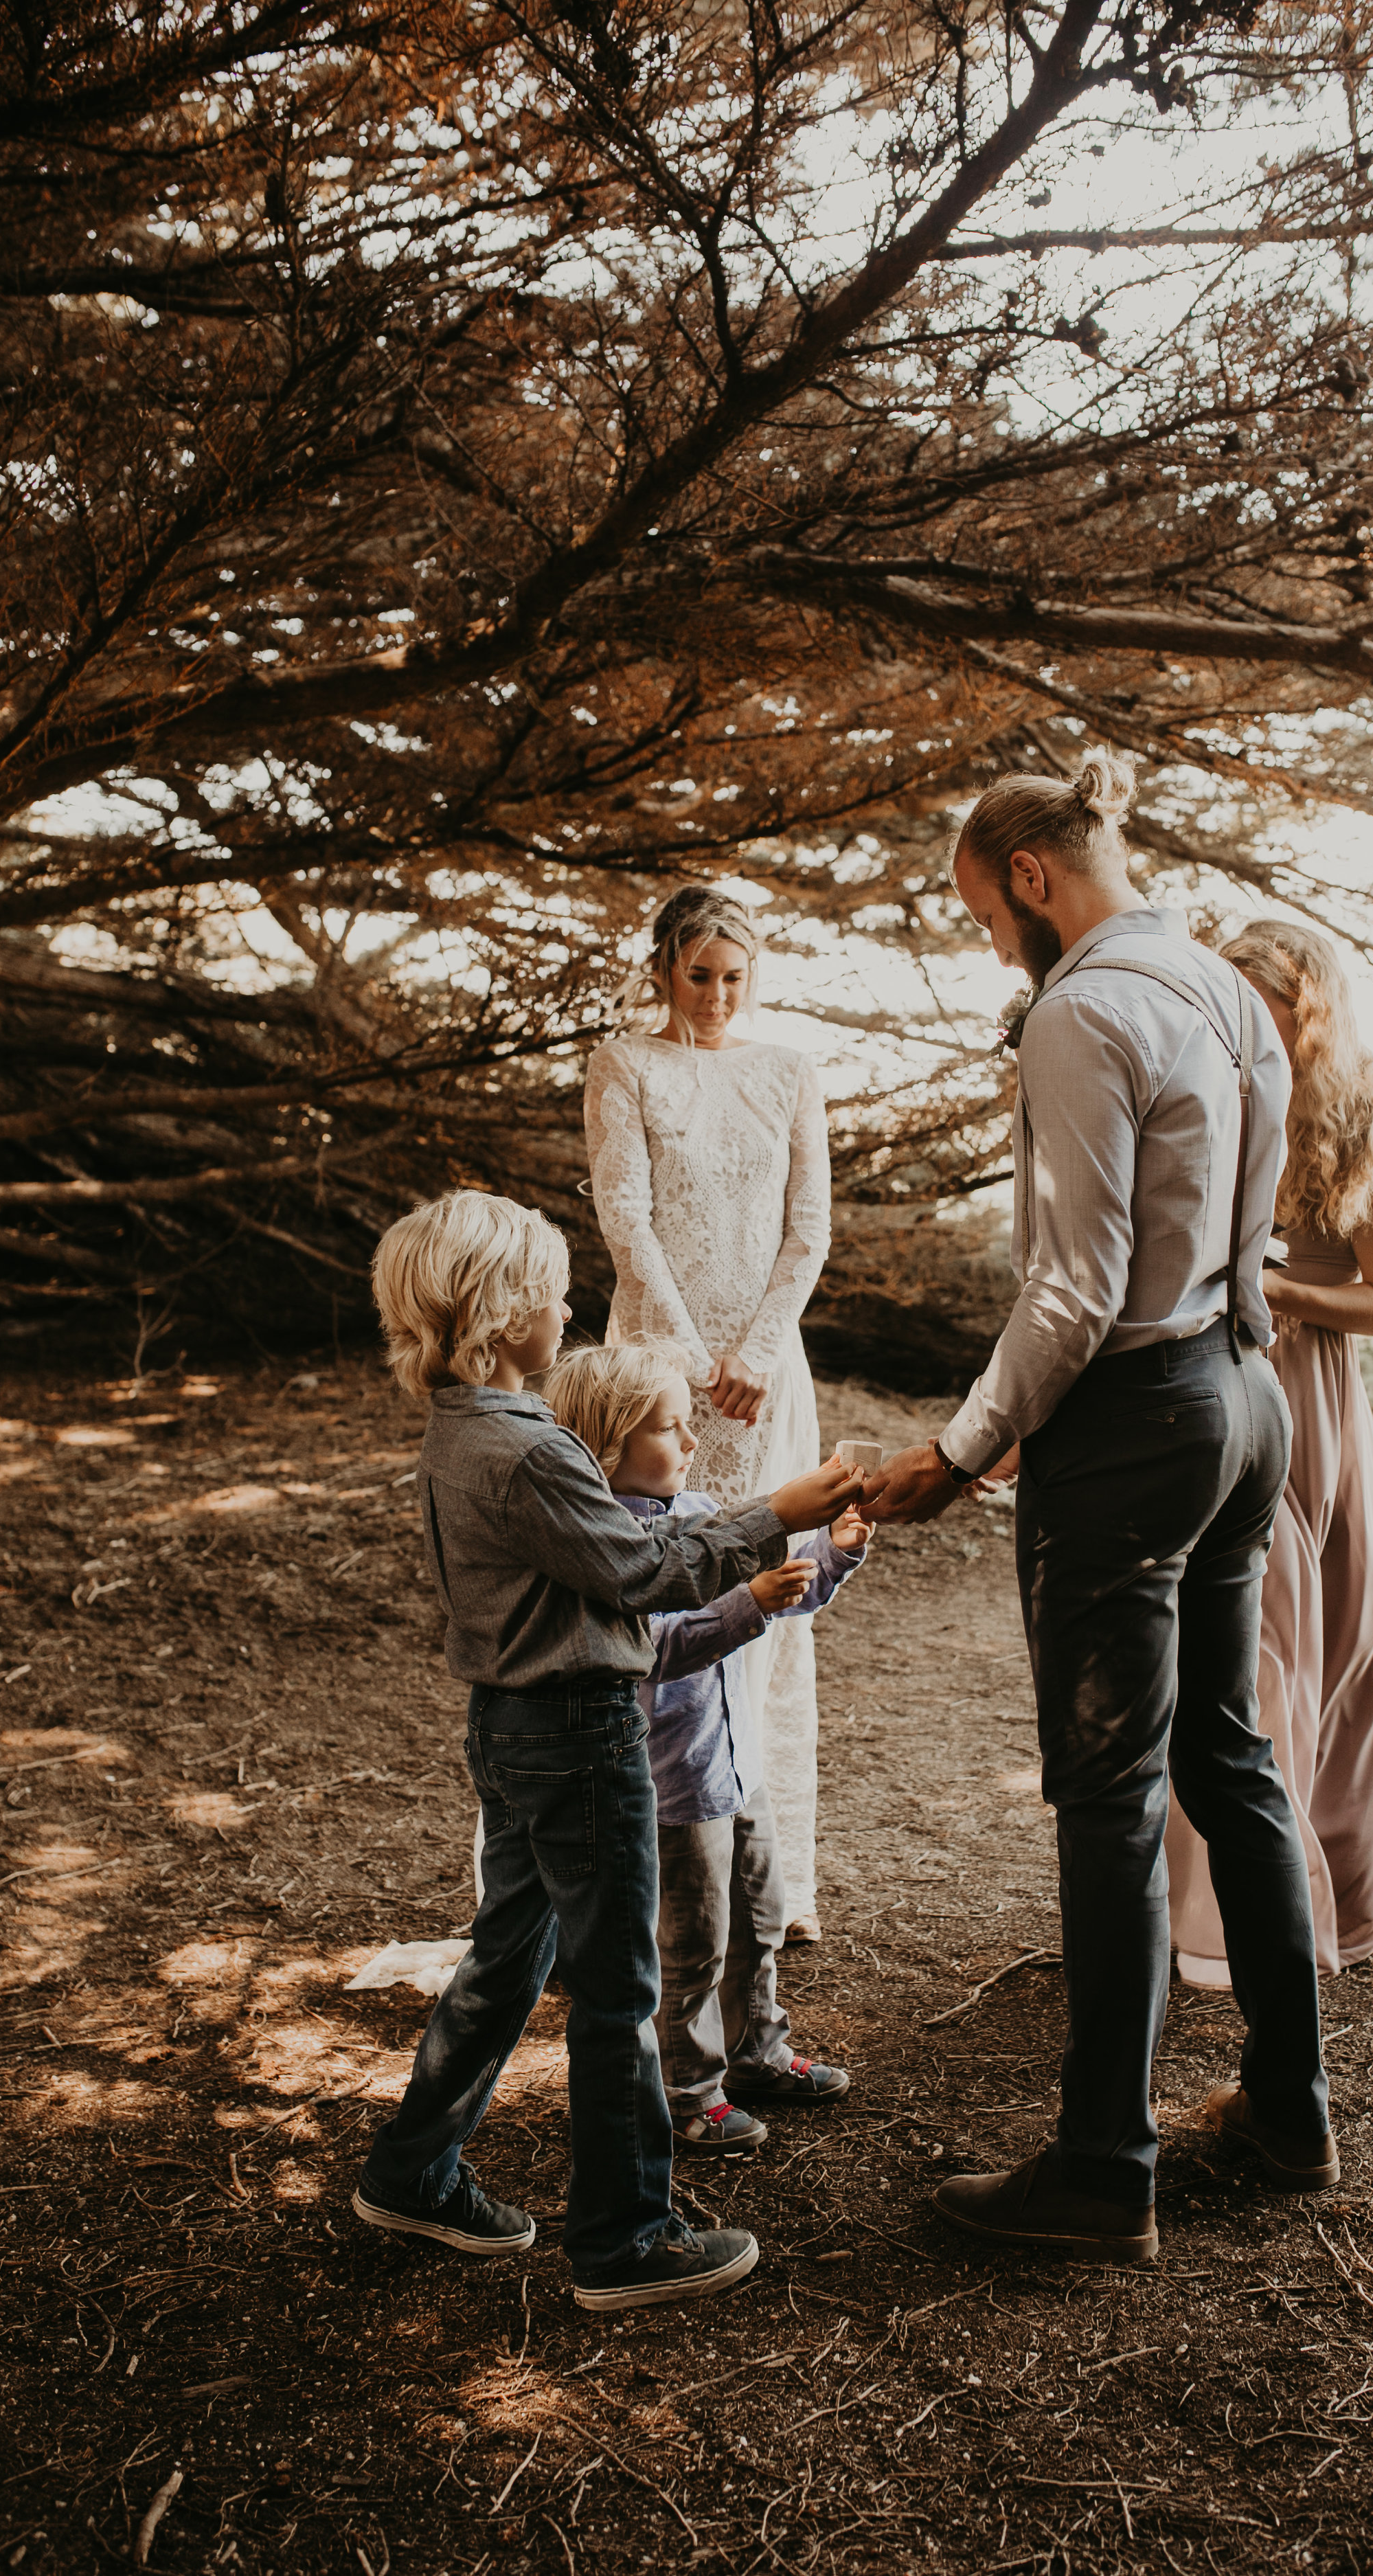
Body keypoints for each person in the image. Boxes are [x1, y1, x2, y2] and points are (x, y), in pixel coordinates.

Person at [863, 751, 1339, 2268]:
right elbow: (1241, 1237)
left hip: (1133, 1431)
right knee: (1225, 1754)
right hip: (1242, 1399)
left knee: (1107, 1795)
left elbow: (1070, 1288)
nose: (991, 949)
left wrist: (960, 1448)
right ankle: (1285, 2109)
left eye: (980, 915)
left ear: (1025, 877)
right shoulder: (1221, 987)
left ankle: (1098, 2169)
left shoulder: (1081, 1009)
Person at [352, 1187, 860, 2311]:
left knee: (510, 1959)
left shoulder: (460, 1430)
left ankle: (411, 2170)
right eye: (549, 1288)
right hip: (578, 1734)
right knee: (620, 1984)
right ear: (498, 1310)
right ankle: (624, 2236)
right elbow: (644, 1577)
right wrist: (779, 1509)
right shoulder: (530, 1452)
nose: (569, 1301)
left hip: (508, 1726)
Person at [1164, 921, 1373, 1985]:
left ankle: (1325, 1904)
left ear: (1311, 1009)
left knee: (1349, 1650)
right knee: (1249, 1657)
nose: (1245, 1022)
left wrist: (1279, 1288)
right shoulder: (1203, 1097)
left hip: (1311, 1403)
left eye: (1266, 1004)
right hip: (1215, 1391)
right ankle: (1219, 1920)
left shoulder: (1365, 1130)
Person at [585, 884, 833, 1943]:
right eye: (699, 975)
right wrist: (690, 1360)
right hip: (657, 1356)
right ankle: (636, 1877)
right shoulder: (625, 1064)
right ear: (662, 971)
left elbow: (809, 1226)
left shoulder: (789, 1072)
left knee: (765, 1588)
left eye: (736, 977)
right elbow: (625, 1216)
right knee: (651, 1587)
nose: (719, 996)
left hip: (768, 1368)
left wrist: (761, 1352)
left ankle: (762, 1882)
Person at [548, 1341, 863, 2156]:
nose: (691, 1443)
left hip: (734, 1762)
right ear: (605, 1445)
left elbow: (787, 1593)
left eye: (689, 1425)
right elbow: (653, 1649)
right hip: (671, 1783)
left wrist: (837, 1550)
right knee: (691, 1945)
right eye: (670, 1428)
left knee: (758, 1922)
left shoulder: (699, 1514)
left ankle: (758, 2052)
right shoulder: (603, 1548)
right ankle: (688, 2092)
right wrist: (747, 1605)